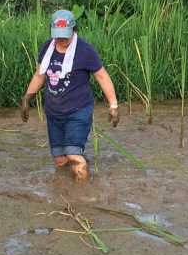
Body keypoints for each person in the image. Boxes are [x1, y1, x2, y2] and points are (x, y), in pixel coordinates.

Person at [19, 10, 120, 181]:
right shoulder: (46, 48)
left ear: (74, 29)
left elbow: (102, 76)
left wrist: (113, 105)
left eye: (65, 35)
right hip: (53, 113)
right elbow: (39, 75)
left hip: (78, 111)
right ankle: (68, 189)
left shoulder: (85, 50)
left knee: (73, 156)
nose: (61, 39)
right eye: (57, 36)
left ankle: (81, 199)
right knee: (60, 161)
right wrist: (27, 98)